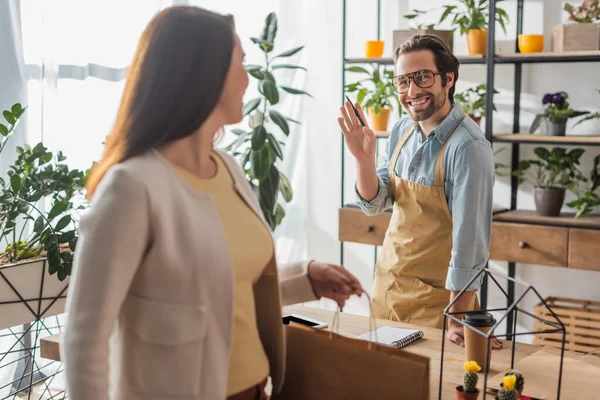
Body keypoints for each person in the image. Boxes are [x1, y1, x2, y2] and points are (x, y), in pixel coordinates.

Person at [62, 6, 362, 400]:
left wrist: (307, 278)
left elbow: (221, 281)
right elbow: (85, 341)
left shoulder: (228, 169)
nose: (248, 79)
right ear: (204, 73)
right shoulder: (132, 187)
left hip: (258, 390)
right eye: (241, 62)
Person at [338, 34, 501, 349]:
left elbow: (471, 243)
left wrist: (457, 316)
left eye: (423, 77)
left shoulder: (468, 148)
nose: (412, 91)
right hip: (387, 289)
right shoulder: (401, 130)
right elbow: (376, 203)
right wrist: (363, 161)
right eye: (402, 81)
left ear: (448, 79)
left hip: (438, 305)